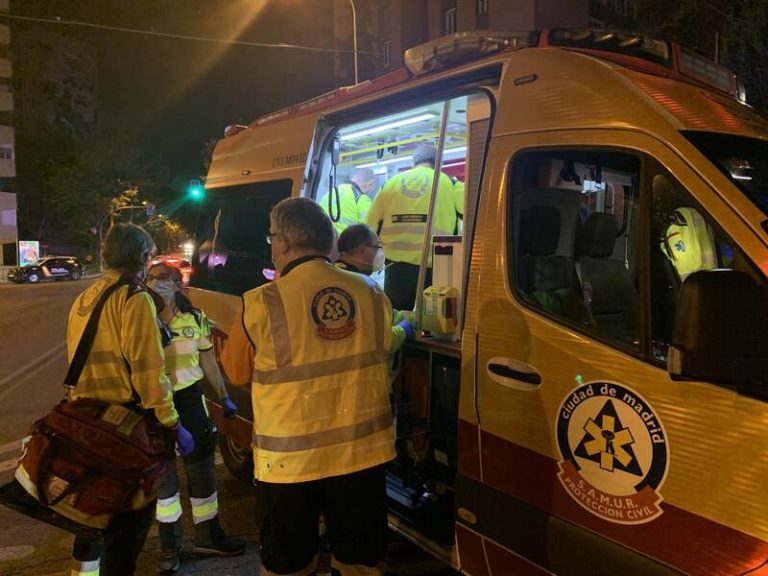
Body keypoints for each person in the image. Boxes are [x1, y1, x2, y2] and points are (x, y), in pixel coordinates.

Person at [221, 197, 396, 576]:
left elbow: (235, 372)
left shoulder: (260, 302)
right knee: (359, 564)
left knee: (289, 566)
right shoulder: (372, 293)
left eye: (271, 238)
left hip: (289, 465)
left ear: (282, 242)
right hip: (361, 457)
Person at [67, 223, 195, 576]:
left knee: (92, 517)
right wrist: (174, 425)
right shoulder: (133, 299)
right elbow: (149, 374)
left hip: (85, 422)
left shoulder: (87, 296)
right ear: (141, 257)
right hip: (121, 430)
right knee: (127, 529)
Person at [146, 263, 246, 574]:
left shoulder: (195, 319)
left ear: (177, 284)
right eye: (151, 277)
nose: (156, 282)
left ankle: (208, 535)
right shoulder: (141, 320)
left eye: (162, 277)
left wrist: (224, 396)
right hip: (156, 405)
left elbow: (208, 363)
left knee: (202, 472)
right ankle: (170, 546)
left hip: (190, 402)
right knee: (165, 485)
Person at [366, 143, 460, 310]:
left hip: (396, 268)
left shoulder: (390, 184)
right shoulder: (450, 183)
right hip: (435, 269)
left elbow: (370, 225)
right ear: (438, 163)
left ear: (413, 162)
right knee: (431, 325)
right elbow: (473, 217)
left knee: (395, 318)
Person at [337, 223, 415, 350]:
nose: (380, 253)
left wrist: (414, 317)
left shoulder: (334, 275)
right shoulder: (363, 287)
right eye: (377, 247)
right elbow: (381, 339)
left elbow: (387, 315)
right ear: (363, 250)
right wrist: (404, 330)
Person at [318, 167, 378, 233]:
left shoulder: (329, 194)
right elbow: (368, 231)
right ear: (369, 184)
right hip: (346, 241)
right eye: (369, 189)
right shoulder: (362, 199)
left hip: (324, 240)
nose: (367, 192)